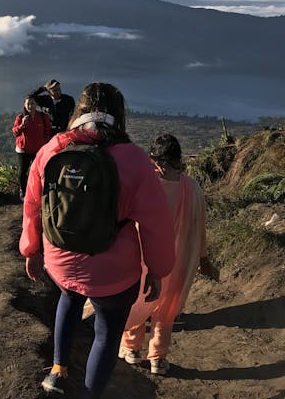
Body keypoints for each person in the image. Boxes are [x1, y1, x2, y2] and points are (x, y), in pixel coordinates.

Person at [19, 82, 175, 398]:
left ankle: (58, 370)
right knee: (106, 331)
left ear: (79, 112)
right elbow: (156, 224)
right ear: (119, 116)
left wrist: (31, 250)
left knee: (69, 298)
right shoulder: (133, 160)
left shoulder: (53, 148)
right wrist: (158, 271)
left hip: (61, 260)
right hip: (113, 274)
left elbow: (33, 205)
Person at [118, 133, 211, 375]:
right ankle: (158, 358)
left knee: (137, 302)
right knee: (166, 310)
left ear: (161, 163)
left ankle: (131, 349)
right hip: (178, 262)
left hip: (144, 260)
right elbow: (200, 228)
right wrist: (203, 258)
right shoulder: (193, 189)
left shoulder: (148, 187)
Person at [12, 95, 51, 200]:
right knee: (22, 172)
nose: (30, 106)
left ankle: (38, 192)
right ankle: (23, 191)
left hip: (38, 150)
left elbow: (48, 131)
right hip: (23, 150)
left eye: (32, 103)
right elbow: (15, 132)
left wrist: (44, 144)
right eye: (28, 103)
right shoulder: (20, 117)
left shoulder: (43, 117)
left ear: (36, 104)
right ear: (25, 105)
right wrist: (22, 125)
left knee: (39, 172)